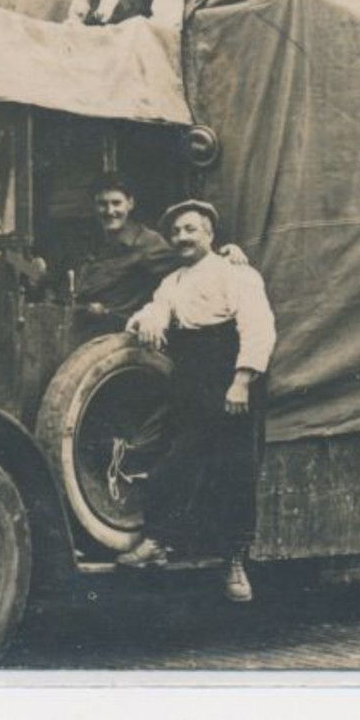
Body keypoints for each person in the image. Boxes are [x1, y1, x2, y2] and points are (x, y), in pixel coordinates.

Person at [120, 200, 277, 604]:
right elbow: (156, 309)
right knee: (179, 460)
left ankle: (235, 564)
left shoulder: (237, 274)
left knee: (234, 470)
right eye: (176, 232)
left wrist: (241, 382)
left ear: (209, 234)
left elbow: (258, 327)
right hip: (191, 378)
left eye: (191, 229)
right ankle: (159, 542)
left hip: (230, 373)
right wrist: (149, 320)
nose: (182, 238)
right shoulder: (172, 282)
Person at [73, 174, 250, 317]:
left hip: (120, 333)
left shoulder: (147, 243)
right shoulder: (91, 242)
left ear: (130, 204)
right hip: (85, 324)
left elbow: (187, 256)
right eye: (102, 204)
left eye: (116, 203)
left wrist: (225, 251)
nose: (110, 211)